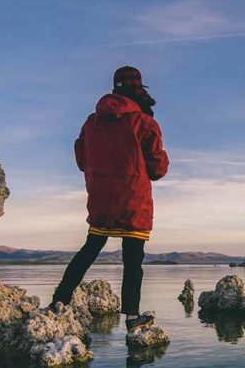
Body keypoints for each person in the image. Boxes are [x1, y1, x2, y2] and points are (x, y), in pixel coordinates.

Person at [52, 66, 169, 330]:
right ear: (139, 90)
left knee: (89, 249)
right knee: (133, 259)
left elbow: (81, 159)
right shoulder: (144, 122)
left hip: (100, 196)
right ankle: (131, 317)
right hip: (133, 197)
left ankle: (59, 301)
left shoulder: (92, 122)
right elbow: (157, 168)